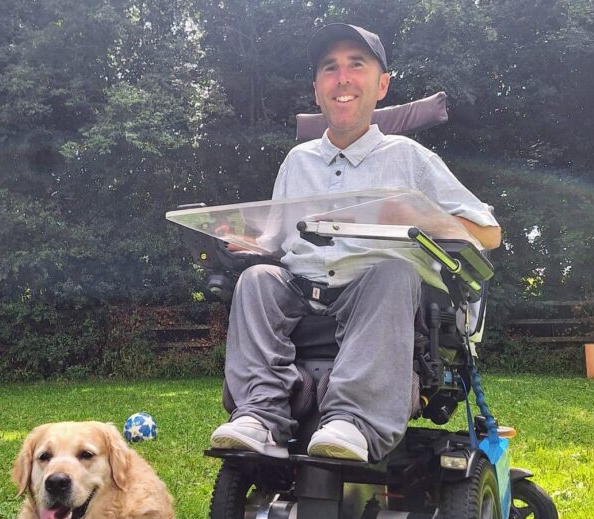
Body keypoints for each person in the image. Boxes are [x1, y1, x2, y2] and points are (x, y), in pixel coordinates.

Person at [209, 23, 502, 462]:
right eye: (330, 68)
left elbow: (489, 232)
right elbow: (275, 240)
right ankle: (260, 417)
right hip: (302, 295)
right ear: (317, 89)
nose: (342, 78)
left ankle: (353, 421)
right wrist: (248, 244)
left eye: (356, 65)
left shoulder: (410, 158)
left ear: (381, 85)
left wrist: (420, 216)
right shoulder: (297, 161)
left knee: (392, 269)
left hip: (375, 297)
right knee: (256, 279)